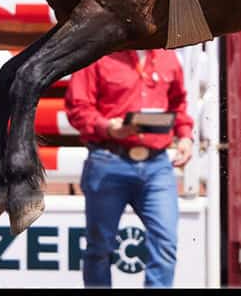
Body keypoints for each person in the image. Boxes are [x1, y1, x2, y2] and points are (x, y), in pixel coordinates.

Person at [64, 49, 196, 287]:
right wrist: (107, 127)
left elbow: (178, 104)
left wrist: (185, 136)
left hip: (156, 164)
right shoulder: (98, 55)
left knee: (165, 243)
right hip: (109, 158)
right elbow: (77, 106)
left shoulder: (168, 57)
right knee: (100, 248)